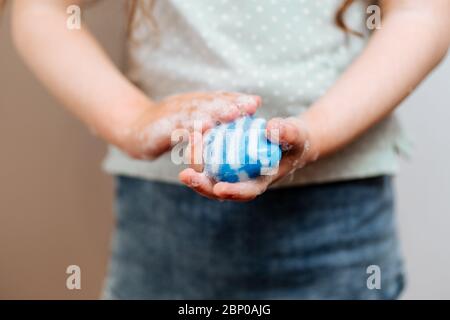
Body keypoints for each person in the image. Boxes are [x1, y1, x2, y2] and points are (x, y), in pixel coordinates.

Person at [8, 0, 450, 299]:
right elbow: (40, 9)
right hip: (162, 221)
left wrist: (316, 132)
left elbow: (422, 11)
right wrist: (133, 120)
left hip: (339, 215)